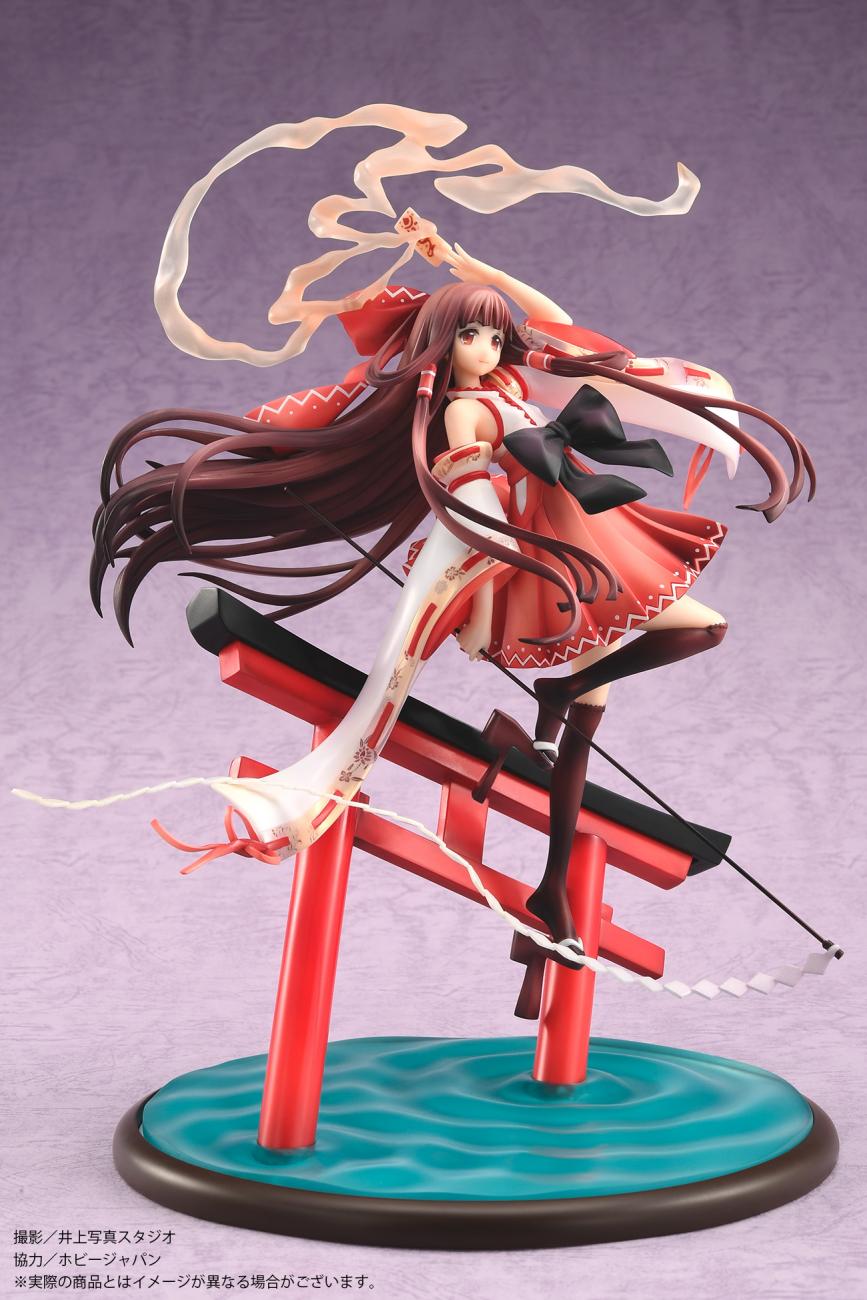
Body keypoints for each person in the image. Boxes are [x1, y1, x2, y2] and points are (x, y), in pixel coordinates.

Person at [92, 246, 813, 970]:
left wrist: (471, 263)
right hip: (545, 554)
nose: (488, 349)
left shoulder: (509, 383)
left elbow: (554, 320)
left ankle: (553, 840)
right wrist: (488, 598)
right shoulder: (462, 410)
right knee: (603, 708)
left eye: (495, 336)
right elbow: (472, 508)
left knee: (687, 641)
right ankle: (556, 863)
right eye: (471, 335)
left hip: (593, 538)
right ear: (441, 342)